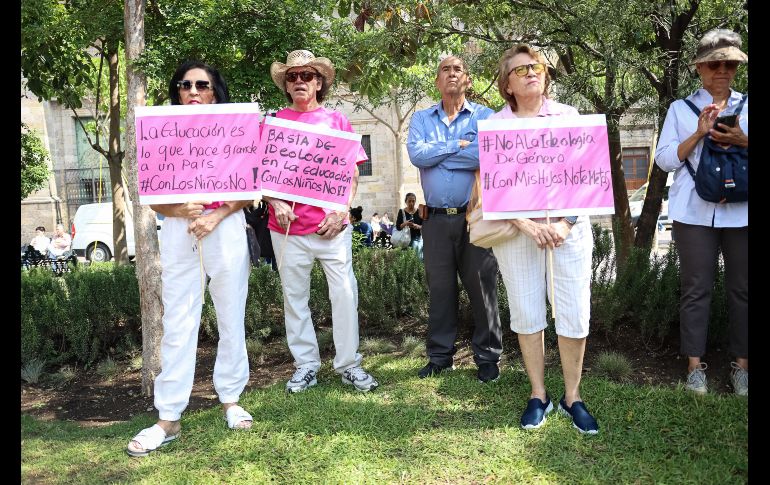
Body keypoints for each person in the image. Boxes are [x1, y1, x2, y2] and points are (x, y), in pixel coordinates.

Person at [127, 60, 253, 458]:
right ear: (177, 91)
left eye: (202, 84)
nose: (193, 90)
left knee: (231, 312)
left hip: (226, 226)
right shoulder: (162, 133)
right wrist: (181, 212)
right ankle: (168, 418)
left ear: (215, 91)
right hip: (180, 232)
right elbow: (152, 195)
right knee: (178, 318)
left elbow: (249, 189)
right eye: (185, 85)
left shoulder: (235, 129)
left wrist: (216, 213)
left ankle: (231, 400)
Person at [488, 44, 598, 434]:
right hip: (518, 234)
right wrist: (527, 225)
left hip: (569, 232)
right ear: (507, 85)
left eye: (535, 66)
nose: (531, 72)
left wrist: (565, 223)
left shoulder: (569, 117)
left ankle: (573, 396)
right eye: (521, 70)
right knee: (526, 312)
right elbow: (493, 187)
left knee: (573, 312)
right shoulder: (496, 126)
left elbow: (588, 178)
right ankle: (538, 394)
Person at [265, 49, 378, 393]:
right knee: (294, 298)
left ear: (319, 82)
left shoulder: (337, 122)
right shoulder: (272, 122)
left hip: (332, 228)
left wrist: (342, 211)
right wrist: (275, 200)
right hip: (286, 231)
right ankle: (306, 366)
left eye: (306, 76)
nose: (299, 81)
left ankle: (349, 365)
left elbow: (351, 175)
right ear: (286, 84)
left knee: (344, 295)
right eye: (292, 76)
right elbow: (257, 174)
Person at [655, 29, 748, 396]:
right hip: (693, 212)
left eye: (729, 64)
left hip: (742, 213)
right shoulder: (680, 109)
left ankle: (742, 367)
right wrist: (697, 134)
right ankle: (695, 367)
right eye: (714, 64)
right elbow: (664, 160)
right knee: (695, 289)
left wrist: (742, 140)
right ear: (699, 68)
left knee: (743, 290)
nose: (721, 70)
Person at [406, 55, 503, 383]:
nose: (451, 74)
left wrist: (440, 154)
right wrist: (457, 145)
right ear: (436, 81)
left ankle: (488, 358)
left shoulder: (485, 117)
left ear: (468, 80)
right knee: (441, 290)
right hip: (433, 221)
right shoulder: (421, 118)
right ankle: (439, 356)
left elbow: (486, 156)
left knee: (482, 287)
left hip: (474, 218)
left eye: (457, 69)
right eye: (445, 70)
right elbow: (417, 155)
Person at [394, 193, 424, 260]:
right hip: (405, 240)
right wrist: (405, 223)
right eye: (409, 201)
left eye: (413, 201)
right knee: (407, 261)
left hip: (417, 239)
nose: (411, 203)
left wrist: (417, 226)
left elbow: (424, 226)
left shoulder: (419, 211)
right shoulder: (401, 212)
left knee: (418, 260)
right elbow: (398, 227)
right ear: (406, 201)